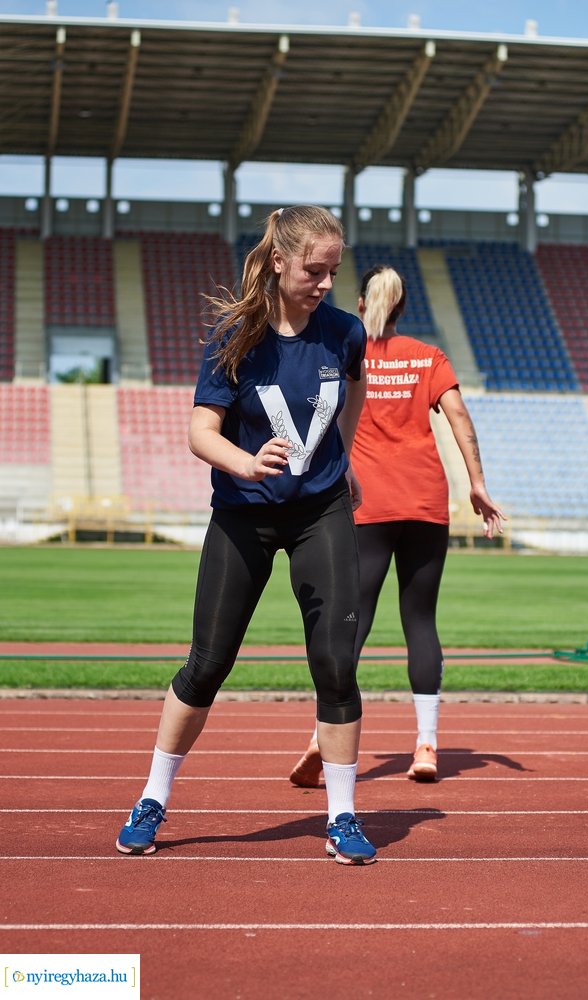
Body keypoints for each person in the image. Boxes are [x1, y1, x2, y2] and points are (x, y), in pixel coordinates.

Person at [116, 205, 377, 865]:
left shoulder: (345, 332)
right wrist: (243, 462)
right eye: (313, 270)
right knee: (207, 664)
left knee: (337, 664)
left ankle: (342, 816)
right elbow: (200, 431)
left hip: (319, 512)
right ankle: (152, 797)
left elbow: (354, 391)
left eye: (332, 272)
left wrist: (337, 463)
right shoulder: (235, 332)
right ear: (280, 261)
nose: (323, 283)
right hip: (241, 514)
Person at [289, 264, 506, 786]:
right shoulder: (428, 357)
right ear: (404, 307)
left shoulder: (344, 350)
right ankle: (427, 743)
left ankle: (323, 736)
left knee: (351, 621)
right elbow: (459, 418)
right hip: (427, 503)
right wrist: (477, 483)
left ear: (360, 304)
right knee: (421, 622)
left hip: (366, 506)